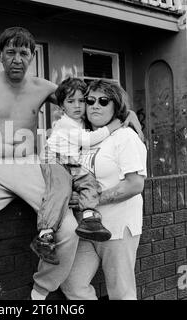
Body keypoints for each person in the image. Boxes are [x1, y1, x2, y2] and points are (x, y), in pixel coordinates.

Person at [0, 27, 143, 300]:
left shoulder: (43, 87)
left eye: (23, 53)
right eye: (10, 52)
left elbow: (84, 98)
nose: (17, 59)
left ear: (32, 56)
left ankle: (41, 290)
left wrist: (126, 110)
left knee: (69, 230)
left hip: (29, 166)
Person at [60, 79, 147, 300]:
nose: (95, 105)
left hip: (118, 227)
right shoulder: (85, 138)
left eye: (103, 100)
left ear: (115, 106)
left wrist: (92, 200)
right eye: (90, 101)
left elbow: (135, 184)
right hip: (86, 229)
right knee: (72, 285)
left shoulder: (125, 137)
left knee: (121, 293)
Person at [30, 77, 123, 266]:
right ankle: (44, 235)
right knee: (60, 191)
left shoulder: (81, 121)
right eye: (71, 102)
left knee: (90, 182)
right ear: (62, 106)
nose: (78, 106)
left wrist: (128, 116)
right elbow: (88, 140)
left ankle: (89, 217)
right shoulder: (65, 123)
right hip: (54, 159)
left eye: (82, 100)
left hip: (72, 161)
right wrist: (112, 127)